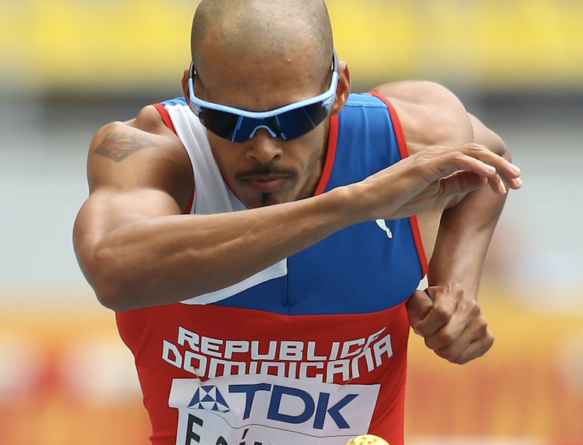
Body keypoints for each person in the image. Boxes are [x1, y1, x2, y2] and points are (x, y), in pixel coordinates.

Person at [73, 1, 522, 444]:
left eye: (293, 118)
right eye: (231, 121)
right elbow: (114, 270)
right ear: (193, 96)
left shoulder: (410, 137)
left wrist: (455, 287)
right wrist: (352, 204)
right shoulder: (152, 150)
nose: (264, 148)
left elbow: (489, 161)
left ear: (339, 90)